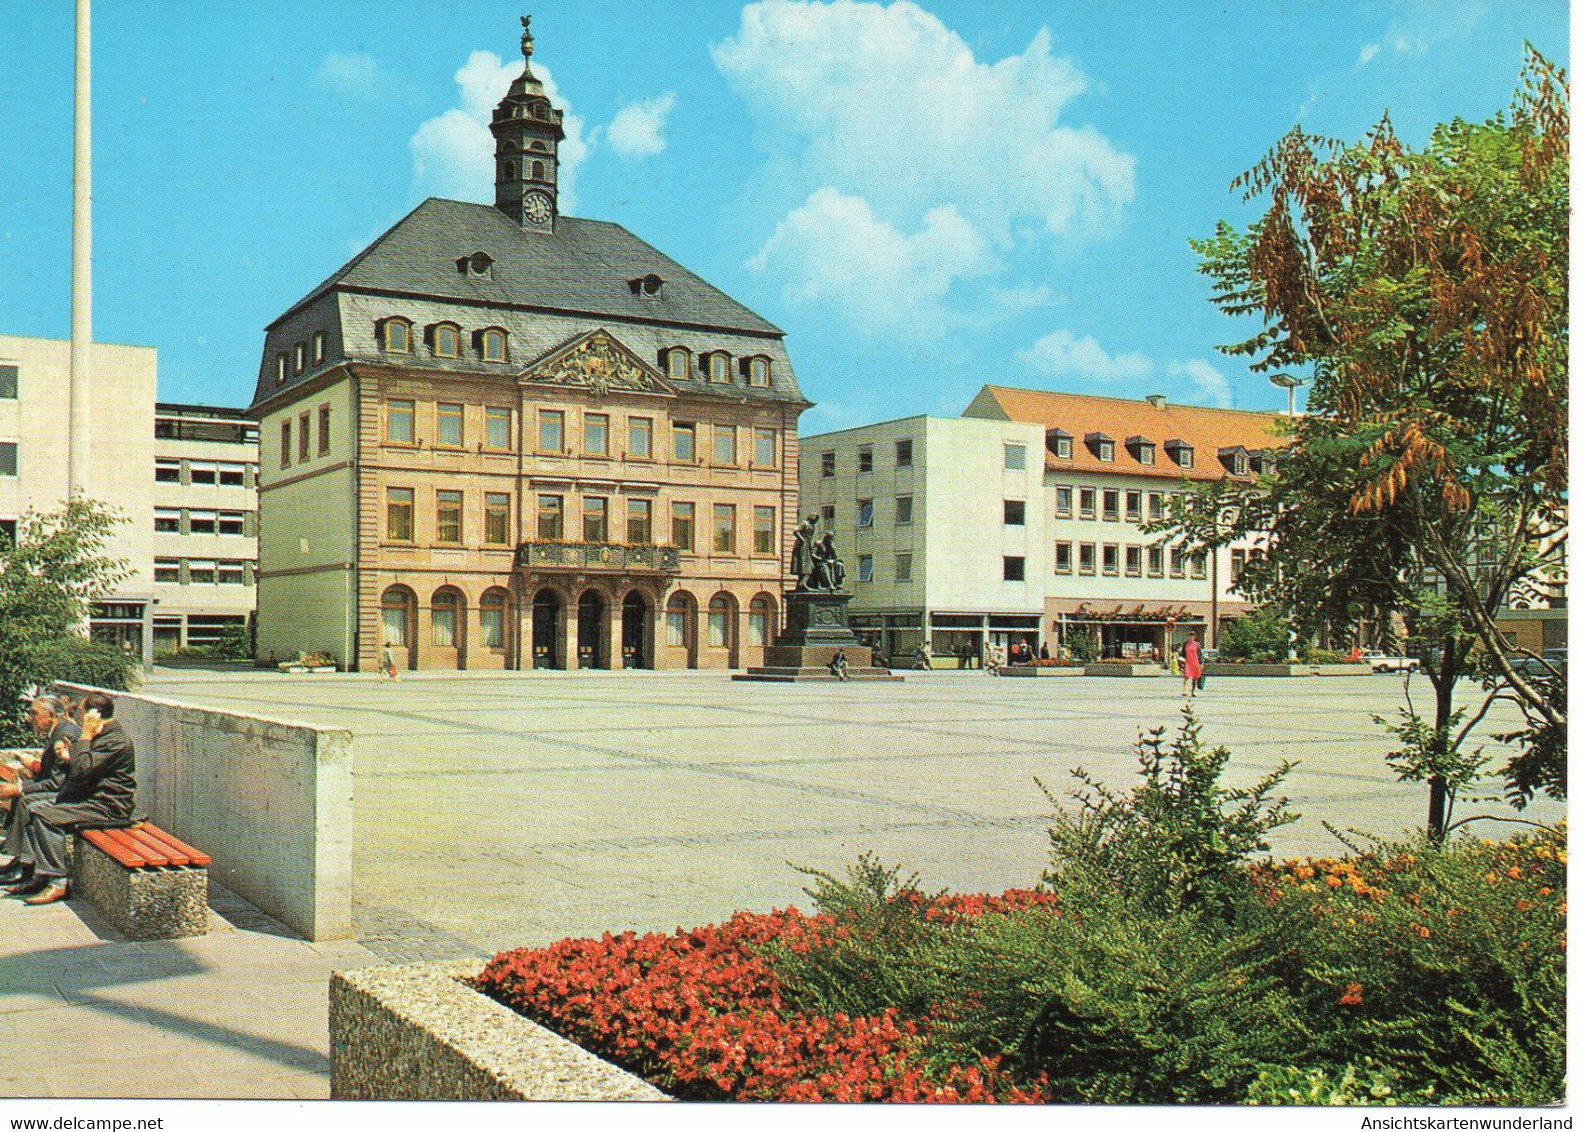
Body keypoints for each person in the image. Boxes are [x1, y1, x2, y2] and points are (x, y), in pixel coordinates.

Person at [0, 691, 136, 905]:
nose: (78, 717)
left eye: (82, 713)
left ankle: (58, 882)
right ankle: (38, 875)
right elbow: (83, 767)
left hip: (108, 806)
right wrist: (68, 755)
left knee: (44, 818)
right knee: (35, 810)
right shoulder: (103, 736)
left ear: (94, 714)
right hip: (91, 801)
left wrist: (84, 738)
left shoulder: (115, 740)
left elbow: (82, 770)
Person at [1182, 634, 1203, 698]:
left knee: (1194, 678)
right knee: (1186, 676)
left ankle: (1192, 692)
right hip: (1188, 662)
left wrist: (1201, 663)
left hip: (1195, 662)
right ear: (1188, 637)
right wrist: (1186, 659)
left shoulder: (1197, 644)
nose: (1191, 637)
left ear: (1194, 637)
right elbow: (1183, 653)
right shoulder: (1185, 644)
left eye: (1192, 636)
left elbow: (1200, 654)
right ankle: (1185, 691)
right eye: (1190, 636)